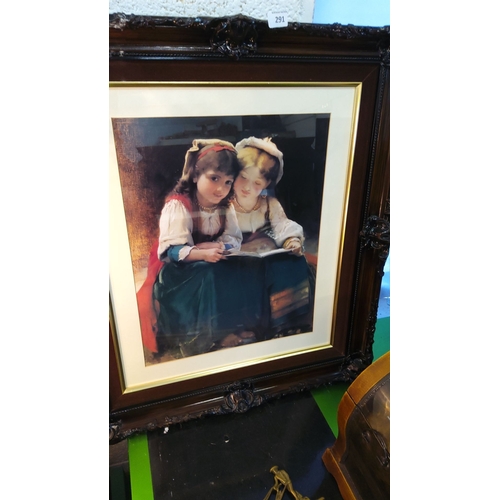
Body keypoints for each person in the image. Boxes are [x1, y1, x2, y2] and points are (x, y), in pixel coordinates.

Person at [137, 138, 251, 360]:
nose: (221, 189)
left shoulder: (226, 207)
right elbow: (171, 252)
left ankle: (235, 325)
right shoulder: (178, 205)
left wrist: (218, 246)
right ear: (196, 174)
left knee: (238, 268)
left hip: (207, 261)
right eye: (214, 178)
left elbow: (234, 239)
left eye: (228, 182)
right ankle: (209, 337)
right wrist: (201, 253)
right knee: (209, 273)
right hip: (174, 273)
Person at [232, 136, 315, 338]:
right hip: (236, 257)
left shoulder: (269, 203)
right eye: (243, 177)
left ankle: (285, 323)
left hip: (267, 254)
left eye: (257, 182)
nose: (247, 187)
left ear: (267, 183)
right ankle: (245, 328)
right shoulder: (225, 204)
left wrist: (291, 241)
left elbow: (282, 226)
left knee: (293, 264)